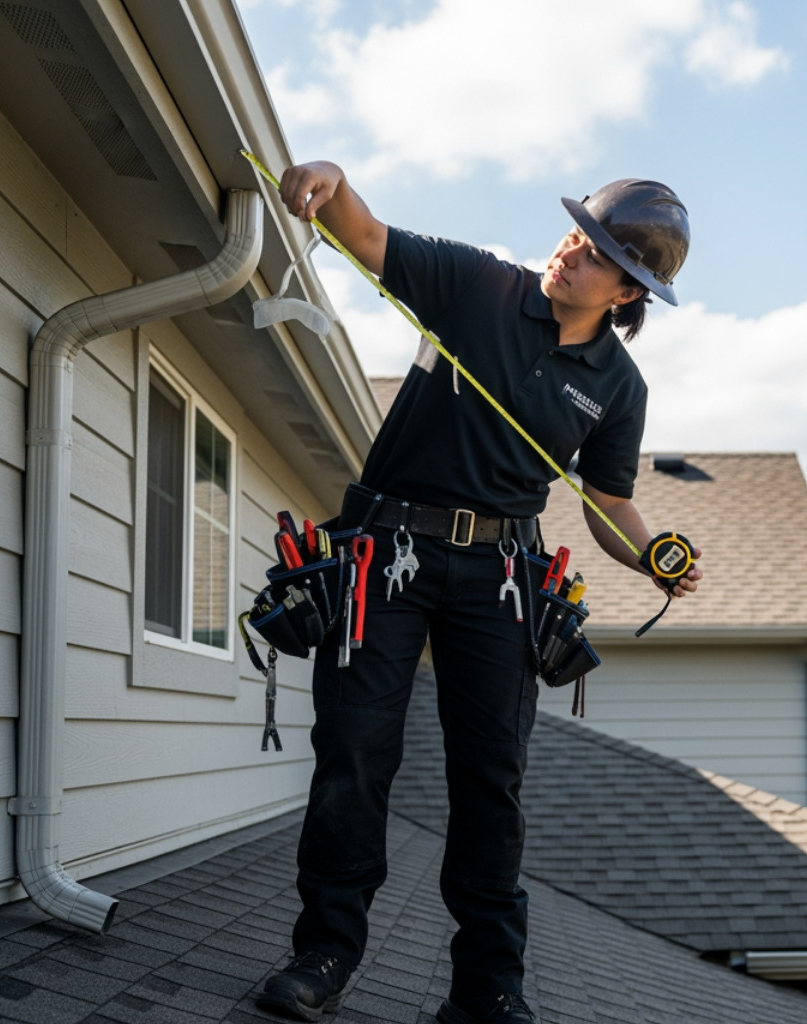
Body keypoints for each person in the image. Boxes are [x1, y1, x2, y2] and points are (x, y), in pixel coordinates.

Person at [256, 161, 701, 1024]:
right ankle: (325, 952)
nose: (573, 250)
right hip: (386, 550)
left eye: (598, 252)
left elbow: (608, 502)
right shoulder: (477, 285)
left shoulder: (618, 388)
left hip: (500, 577)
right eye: (577, 232)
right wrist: (332, 181)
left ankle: (488, 986)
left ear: (625, 294)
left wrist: (653, 556)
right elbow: (367, 236)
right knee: (355, 753)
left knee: (491, 779)